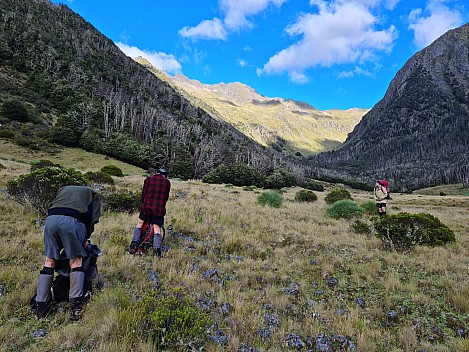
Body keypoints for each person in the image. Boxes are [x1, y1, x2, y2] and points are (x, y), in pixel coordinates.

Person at [34, 185, 101, 321]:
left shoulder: (62, 189)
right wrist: (85, 237)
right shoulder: (92, 194)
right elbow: (92, 217)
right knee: (76, 261)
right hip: (73, 221)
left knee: (49, 260)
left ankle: (40, 305)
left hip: (51, 220)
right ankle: (76, 306)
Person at [129, 168, 171, 257]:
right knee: (157, 229)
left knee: (140, 224)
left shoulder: (149, 179)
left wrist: (143, 204)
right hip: (158, 209)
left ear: (157, 173)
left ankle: (134, 245)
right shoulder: (166, 182)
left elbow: (144, 194)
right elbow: (166, 197)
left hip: (147, 206)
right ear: (164, 175)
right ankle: (157, 251)